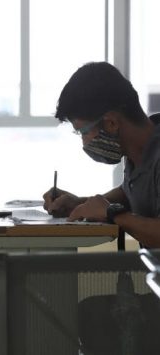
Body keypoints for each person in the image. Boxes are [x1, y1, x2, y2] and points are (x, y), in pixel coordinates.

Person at [43, 61, 160, 247]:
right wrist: (80, 204)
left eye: (83, 132)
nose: (84, 141)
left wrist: (113, 213)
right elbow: (132, 193)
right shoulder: (139, 153)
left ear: (111, 123)